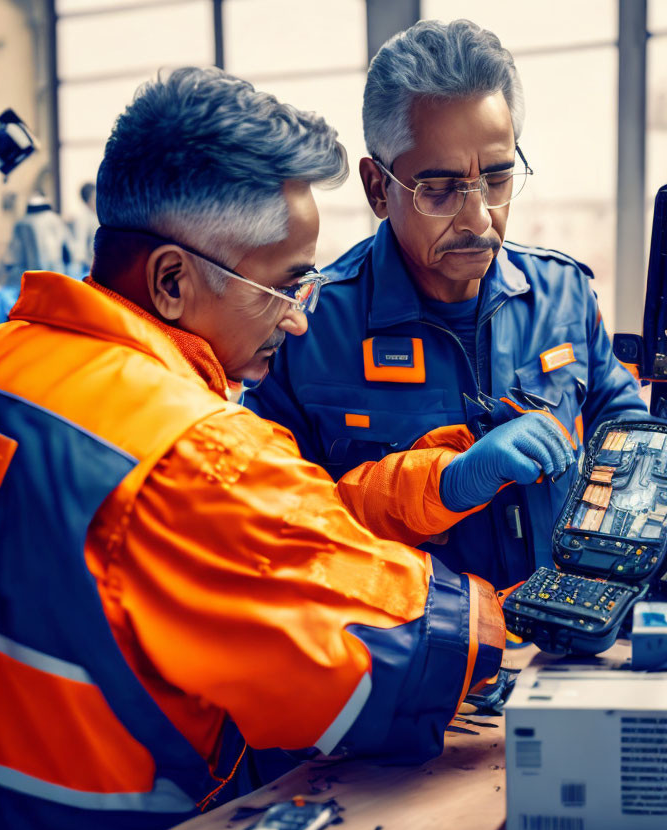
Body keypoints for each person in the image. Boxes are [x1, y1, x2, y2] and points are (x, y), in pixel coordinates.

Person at [0, 67, 506, 830]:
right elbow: (413, 652)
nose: (300, 320)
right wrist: (521, 620)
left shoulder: (12, 359)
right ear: (172, 280)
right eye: (285, 285)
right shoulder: (198, 452)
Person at [246, 19, 648, 587]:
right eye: (438, 189)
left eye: (498, 179)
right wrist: (450, 482)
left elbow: (626, 430)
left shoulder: (564, 295)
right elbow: (273, 534)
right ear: (377, 189)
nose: (479, 218)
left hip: (561, 651)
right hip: (415, 663)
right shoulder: (304, 333)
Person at [0, 193, 75, 322]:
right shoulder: (55, 219)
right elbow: (69, 251)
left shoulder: (22, 223)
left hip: (30, 282)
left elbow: (11, 257)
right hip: (57, 277)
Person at [72, 180, 99, 273]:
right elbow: (80, 245)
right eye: (94, 199)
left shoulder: (97, 215)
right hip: (90, 266)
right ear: (87, 201)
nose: (97, 202)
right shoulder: (82, 219)